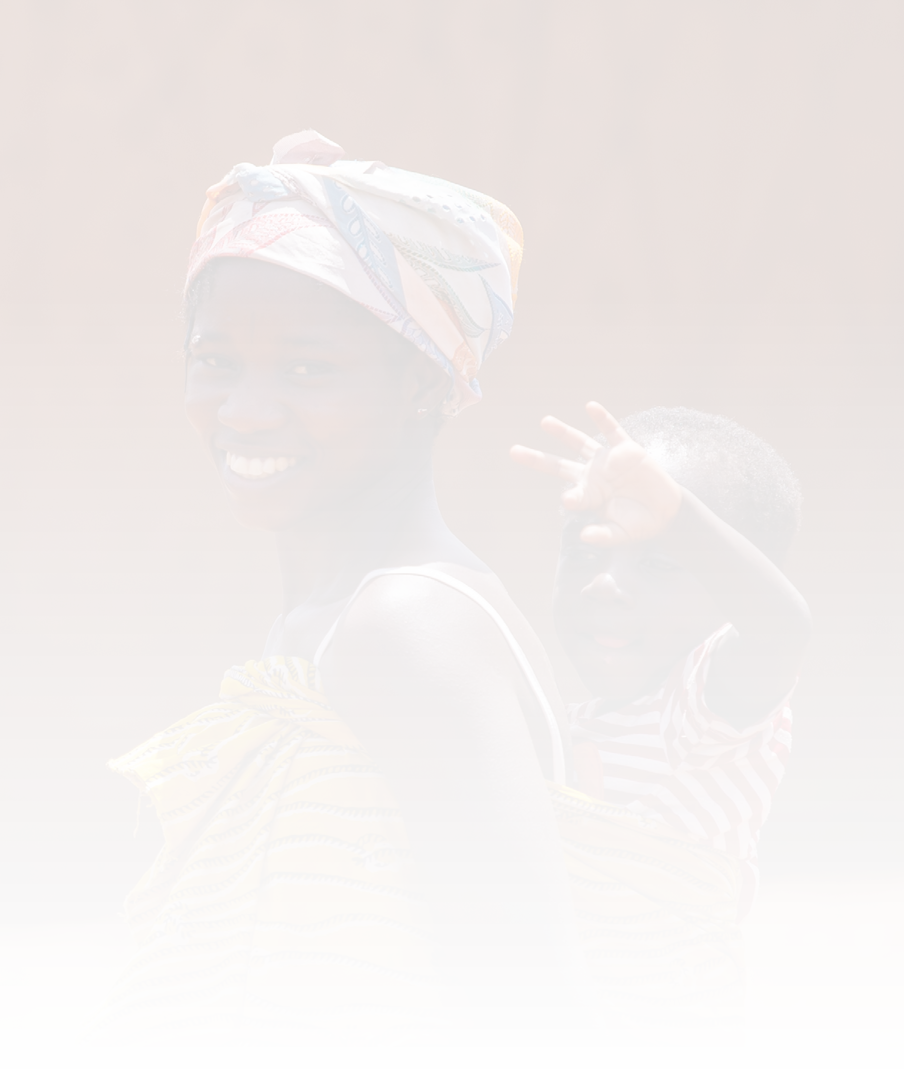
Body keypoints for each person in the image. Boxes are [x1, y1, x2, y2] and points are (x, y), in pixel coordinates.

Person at [72, 131, 609, 1069]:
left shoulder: (404, 629)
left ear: (425, 385)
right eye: (217, 361)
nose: (245, 410)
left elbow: (550, 1034)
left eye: (309, 369)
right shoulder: (331, 619)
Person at [510, 402, 811, 1067]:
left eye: (662, 562)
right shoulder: (570, 726)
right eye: (586, 548)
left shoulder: (706, 718)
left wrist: (677, 512)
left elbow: (783, 632)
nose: (607, 585)